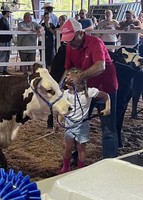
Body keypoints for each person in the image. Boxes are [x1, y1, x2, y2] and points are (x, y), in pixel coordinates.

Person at [60, 18, 118, 158]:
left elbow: (100, 66)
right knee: (77, 122)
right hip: (85, 89)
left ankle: (109, 160)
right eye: (67, 40)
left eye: (72, 39)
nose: (70, 43)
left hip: (105, 87)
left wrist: (79, 77)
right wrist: (60, 86)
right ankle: (76, 156)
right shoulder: (70, 47)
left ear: (81, 33)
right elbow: (68, 68)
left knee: (108, 127)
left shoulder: (95, 43)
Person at [59, 68, 111, 173]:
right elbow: (62, 109)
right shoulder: (66, 94)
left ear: (81, 82)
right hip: (69, 124)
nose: (69, 85)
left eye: (72, 82)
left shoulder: (89, 92)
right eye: (68, 83)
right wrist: (60, 120)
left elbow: (106, 96)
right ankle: (65, 167)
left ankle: (81, 169)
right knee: (68, 147)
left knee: (81, 148)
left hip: (82, 124)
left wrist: (107, 108)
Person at [0, 5, 12, 75]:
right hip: (4, 40)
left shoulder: (4, 20)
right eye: (8, 12)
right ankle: (0, 70)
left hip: (6, 40)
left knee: (6, 55)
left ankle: (4, 69)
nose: (9, 14)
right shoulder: (2, 21)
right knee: (3, 55)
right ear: (6, 12)